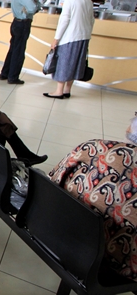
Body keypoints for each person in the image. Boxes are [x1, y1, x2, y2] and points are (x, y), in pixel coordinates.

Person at [49, 116, 137, 282]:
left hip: (56, 232)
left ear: (130, 129)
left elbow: (50, 182)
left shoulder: (91, 148)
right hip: (111, 265)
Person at [43, 0, 94, 99]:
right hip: (84, 37)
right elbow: (92, 20)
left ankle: (59, 91)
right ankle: (67, 90)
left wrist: (56, 38)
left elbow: (64, 21)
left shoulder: (70, 1)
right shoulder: (88, 1)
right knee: (75, 63)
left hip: (70, 38)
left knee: (64, 63)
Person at [0, 0, 42, 85]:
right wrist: (36, 6)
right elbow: (33, 7)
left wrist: (35, 5)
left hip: (18, 23)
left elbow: (35, 5)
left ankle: (5, 73)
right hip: (22, 23)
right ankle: (13, 77)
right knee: (18, 51)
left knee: (14, 49)